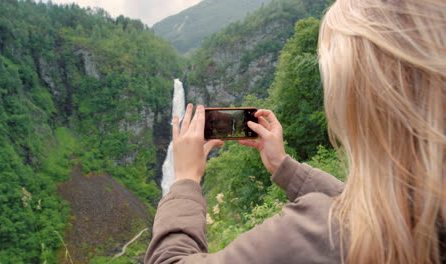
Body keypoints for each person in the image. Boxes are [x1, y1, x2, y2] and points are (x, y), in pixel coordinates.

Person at [145, 0, 445, 263]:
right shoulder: (426, 210)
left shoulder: (316, 234)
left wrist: (184, 179)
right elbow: (373, 209)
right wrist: (282, 166)